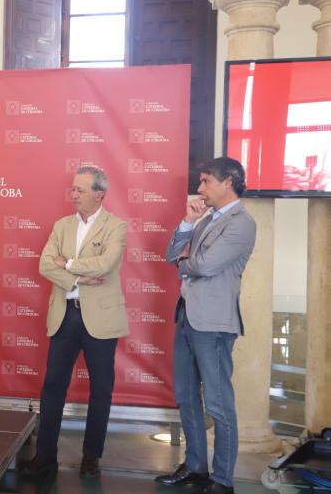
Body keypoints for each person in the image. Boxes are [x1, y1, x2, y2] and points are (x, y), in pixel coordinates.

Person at [155, 157, 256, 494]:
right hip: (186, 316)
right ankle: (196, 466)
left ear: (229, 181)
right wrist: (186, 223)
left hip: (213, 324)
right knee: (185, 397)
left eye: (206, 181)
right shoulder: (204, 220)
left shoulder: (242, 222)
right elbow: (172, 255)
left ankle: (222, 479)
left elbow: (206, 266)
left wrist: (186, 262)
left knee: (218, 403)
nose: (199, 189)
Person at [20, 166, 128, 479]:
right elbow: (44, 264)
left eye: (80, 190)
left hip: (101, 319)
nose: (73, 194)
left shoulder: (116, 226)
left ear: (100, 193)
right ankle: (45, 456)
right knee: (53, 387)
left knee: (101, 390)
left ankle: (91, 457)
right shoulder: (61, 225)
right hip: (65, 315)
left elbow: (106, 265)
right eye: (73, 189)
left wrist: (66, 264)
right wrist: (79, 277)